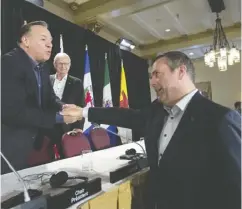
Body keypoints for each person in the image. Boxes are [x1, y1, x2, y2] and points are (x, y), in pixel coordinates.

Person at [61, 51, 241, 209]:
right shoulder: (156, 110)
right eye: (151, 76)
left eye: (157, 74)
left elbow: (237, 188)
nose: (152, 81)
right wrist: (83, 112)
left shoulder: (220, 119)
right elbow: (125, 116)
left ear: (180, 72)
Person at [1, 21, 80, 174]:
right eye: (43, 40)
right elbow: (13, 112)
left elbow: (50, 98)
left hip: (38, 144)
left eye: (51, 42)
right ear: (26, 41)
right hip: (12, 146)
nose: (50, 45)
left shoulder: (43, 68)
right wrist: (59, 118)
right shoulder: (9, 63)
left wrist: (63, 107)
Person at [49, 52, 85, 157]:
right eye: (60, 63)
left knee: (65, 155)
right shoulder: (47, 80)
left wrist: (78, 126)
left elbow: (80, 105)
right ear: (55, 64)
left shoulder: (76, 82)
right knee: (47, 155)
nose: (63, 66)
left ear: (70, 65)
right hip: (47, 124)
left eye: (66, 63)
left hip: (67, 126)